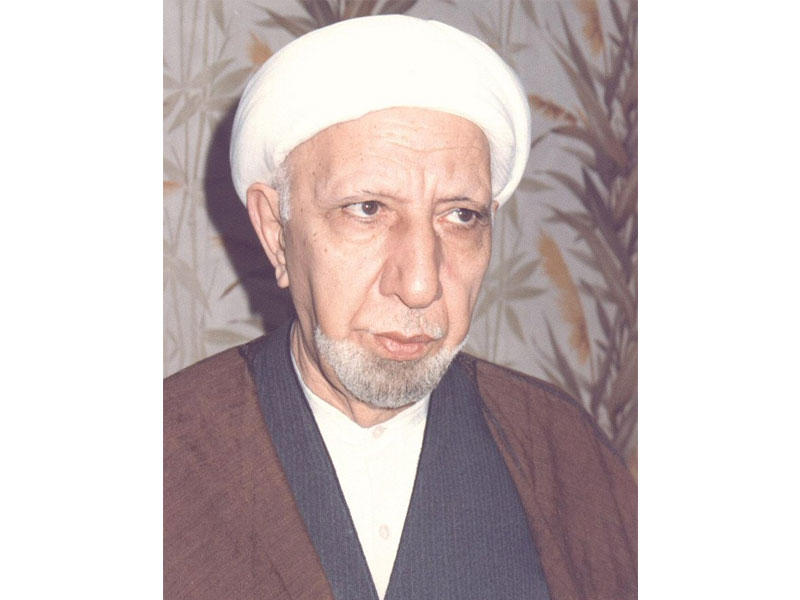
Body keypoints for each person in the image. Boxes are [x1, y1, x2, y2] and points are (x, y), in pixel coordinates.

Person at [164, 15, 636, 600]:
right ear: (275, 231)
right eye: (367, 209)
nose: (419, 285)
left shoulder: (564, 454)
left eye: (460, 216)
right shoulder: (169, 451)